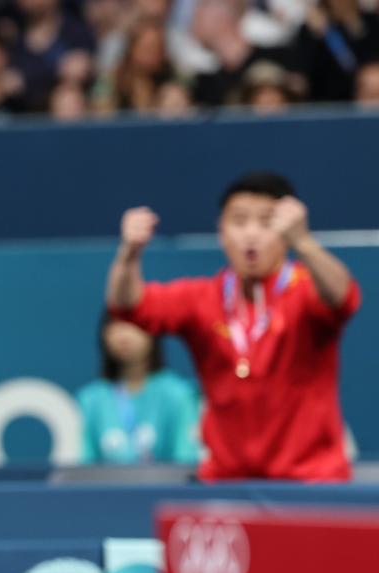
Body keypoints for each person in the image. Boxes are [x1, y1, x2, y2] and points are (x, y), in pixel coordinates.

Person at [106, 172, 360, 481]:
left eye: (266, 222)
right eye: (239, 221)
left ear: (286, 231)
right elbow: (126, 306)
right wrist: (129, 254)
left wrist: (304, 242)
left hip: (312, 482)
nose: (251, 234)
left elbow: (343, 297)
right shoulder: (201, 298)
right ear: (221, 231)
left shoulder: (307, 289)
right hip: (227, 482)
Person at [77, 313, 201, 464]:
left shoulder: (179, 394)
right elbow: (83, 466)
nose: (124, 335)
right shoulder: (90, 399)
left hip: (167, 480)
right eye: (116, 326)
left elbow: (185, 460)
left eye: (132, 324)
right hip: (106, 481)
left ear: (153, 331)